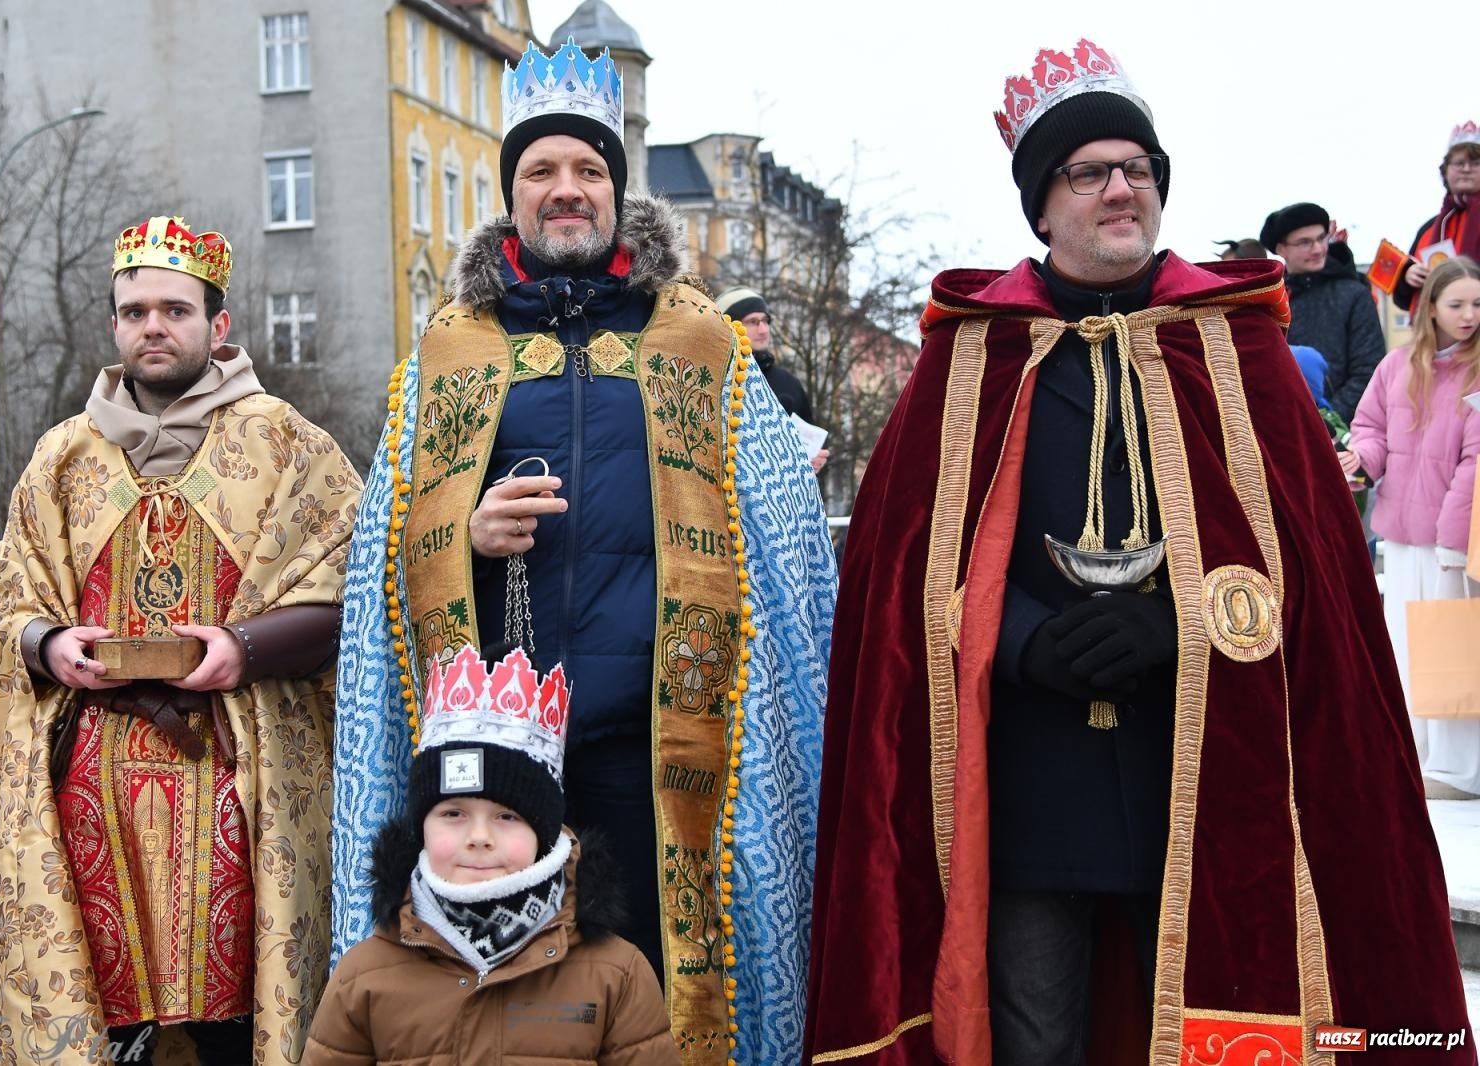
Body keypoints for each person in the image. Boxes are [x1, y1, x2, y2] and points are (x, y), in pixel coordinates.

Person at [805, 38, 1475, 1065]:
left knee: (1216, 1019)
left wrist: (1176, 622)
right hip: (1035, 776)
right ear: (1042, 202)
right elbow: (905, 573)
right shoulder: (968, 353)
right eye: (1091, 172)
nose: (1121, 189)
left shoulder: (1235, 343)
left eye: (1139, 170)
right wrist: (1025, 639)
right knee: (1037, 1035)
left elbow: (1314, 569)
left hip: (1205, 764)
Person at [332, 38, 836, 1065]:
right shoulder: (447, 351)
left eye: (589, 170)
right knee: (508, 1018)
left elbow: (788, 560)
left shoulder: (700, 344)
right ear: (511, 192)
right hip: (498, 769)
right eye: (542, 172)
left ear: (618, 190)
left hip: (656, 759)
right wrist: (463, 537)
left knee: (653, 1004)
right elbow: (383, 557)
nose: (567, 191)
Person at [0, 214, 362, 1066]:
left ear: (217, 325)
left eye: (176, 310)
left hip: (241, 781)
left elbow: (351, 592)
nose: (154, 326)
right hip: (91, 796)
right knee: (114, 1027)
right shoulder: (63, 457)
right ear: (115, 325)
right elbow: (10, 596)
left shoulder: (288, 444)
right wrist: (48, 645)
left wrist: (247, 647)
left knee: (234, 1028)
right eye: (135, 311)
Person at [306, 644, 677, 1065]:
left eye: (506, 816)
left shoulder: (616, 975)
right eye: (453, 813)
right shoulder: (364, 975)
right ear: (421, 826)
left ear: (543, 830)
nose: (479, 837)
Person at [1342, 255, 1480, 799]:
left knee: (1451, 650)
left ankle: (1458, 769)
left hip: (1452, 543)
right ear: (1431, 308)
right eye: (1457, 304)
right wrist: (1361, 460)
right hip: (1399, 533)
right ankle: (1416, 755)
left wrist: (1452, 542)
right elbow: (1372, 427)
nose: (1469, 315)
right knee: (1404, 648)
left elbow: (1476, 465)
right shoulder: (1396, 366)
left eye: (1477, 304)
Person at [1260, 201, 1384, 421]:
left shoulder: (1354, 294)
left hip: (1344, 436)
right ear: (1281, 249)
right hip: (1284, 425)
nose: (1317, 249)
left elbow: (1368, 371)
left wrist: (1327, 421)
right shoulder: (1271, 299)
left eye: (1321, 238)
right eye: (1305, 242)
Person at [714, 286, 830, 474]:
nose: (763, 330)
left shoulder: (788, 383)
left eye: (766, 321)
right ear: (729, 324)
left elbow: (812, 441)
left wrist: (815, 461)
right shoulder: (713, 380)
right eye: (753, 321)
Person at [1395, 121, 1480, 315]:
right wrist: (1408, 278)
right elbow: (1403, 299)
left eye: (1475, 163)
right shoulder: (1429, 229)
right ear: (1445, 171)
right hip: (1434, 339)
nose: (1466, 169)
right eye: (1459, 163)